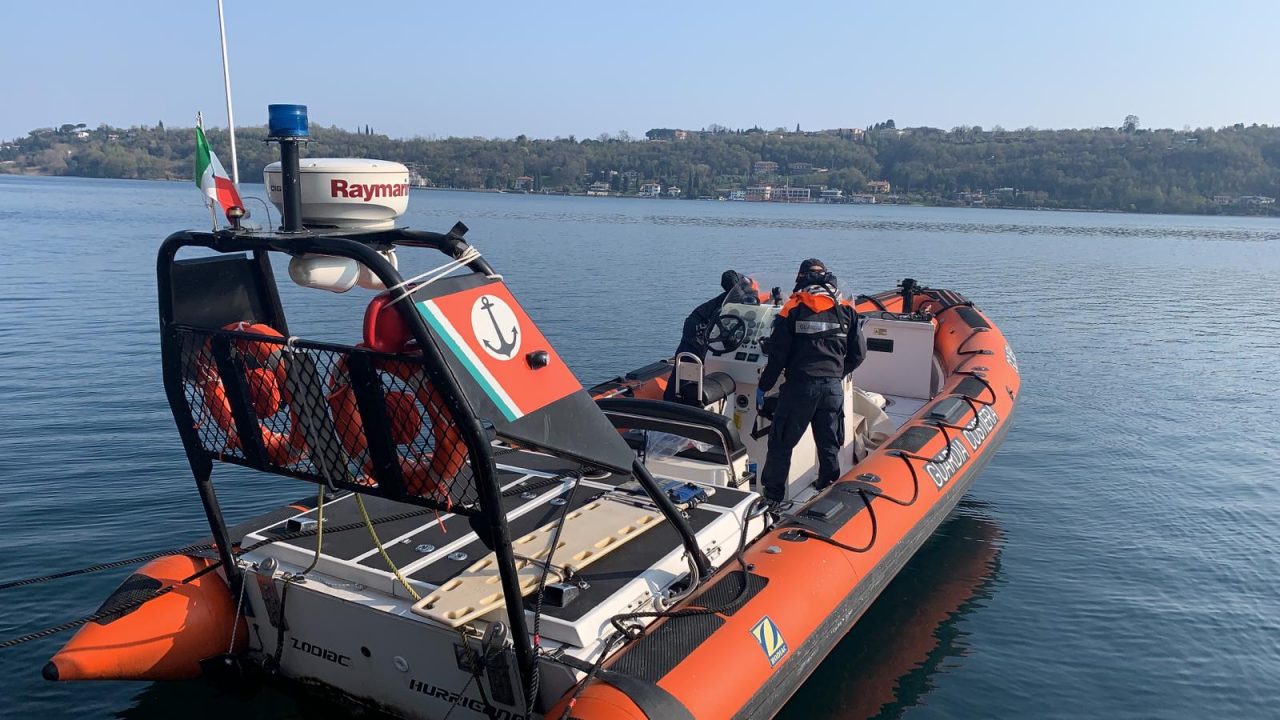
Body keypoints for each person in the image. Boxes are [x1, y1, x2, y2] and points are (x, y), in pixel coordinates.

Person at [756, 258, 865, 503]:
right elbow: (859, 354)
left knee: (781, 444)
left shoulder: (792, 308)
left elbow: (778, 355)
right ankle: (827, 488)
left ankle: (772, 498)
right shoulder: (846, 308)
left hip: (800, 387)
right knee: (828, 443)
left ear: (801, 278)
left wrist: (764, 386)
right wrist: (837, 372)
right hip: (832, 388)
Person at [664, 269, 759, 404]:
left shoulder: (739, 296)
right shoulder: (737, 297)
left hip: (701, 325)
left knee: (695, 362)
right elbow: (718, 321)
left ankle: (681, 399)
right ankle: (674, 402)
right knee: (689, 362)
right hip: (698, 328)